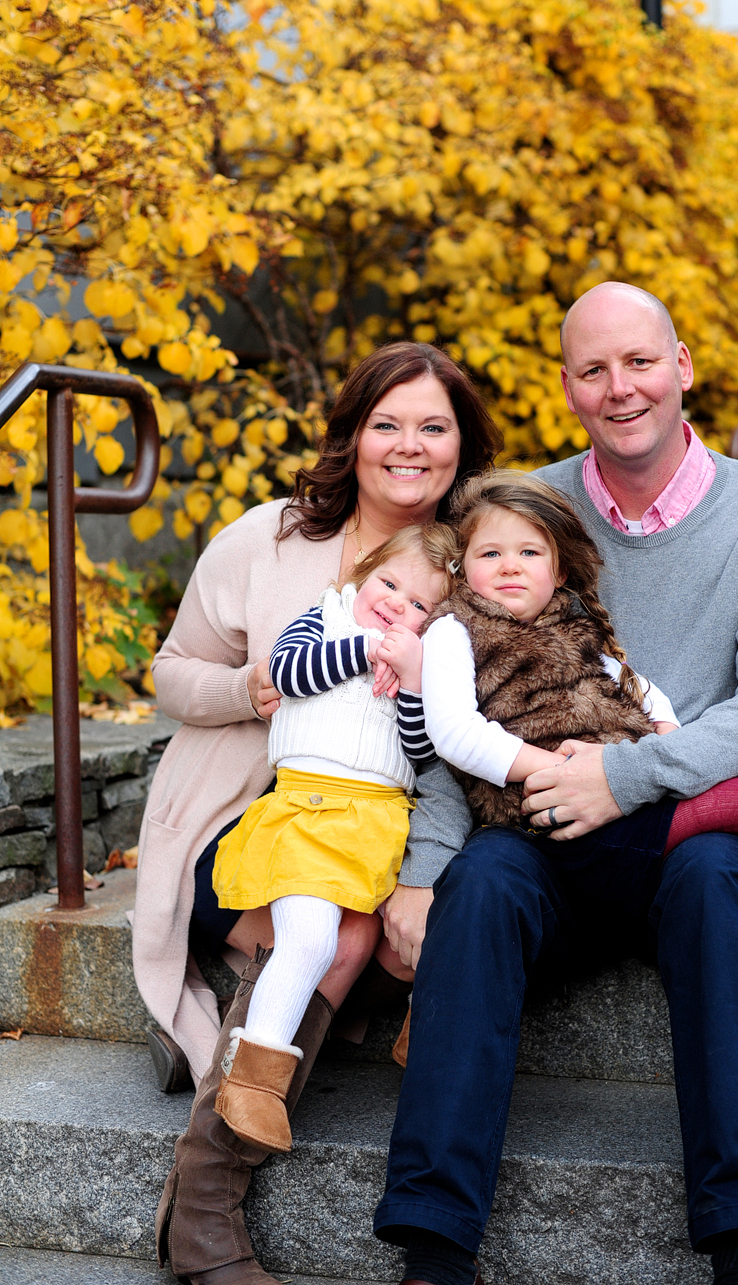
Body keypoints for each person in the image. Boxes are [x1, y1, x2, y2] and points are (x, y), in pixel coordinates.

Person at [373, 283, 738, 1285]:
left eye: (641, 362)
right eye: (593, 370)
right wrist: (421, 870)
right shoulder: (525, 508)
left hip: (678, 836)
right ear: (568, 387)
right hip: (531, 830)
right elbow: (457, 700)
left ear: (684, 365)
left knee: (715, 878)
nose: (621, 389)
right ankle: (434, 1248)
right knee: (479, 887)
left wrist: (627, 773)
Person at [137, 340, 502, 1285]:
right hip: (248, 816)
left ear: (463, 444)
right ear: (353, 435)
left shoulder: (480, 567)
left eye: (434, 426)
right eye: (387, 423)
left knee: (373, 924)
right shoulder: (271, 540)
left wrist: (421, 868)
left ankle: (235, 1048)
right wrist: (257, 687)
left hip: (383, 824)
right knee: (338, 935)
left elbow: (452, 755)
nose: (409, 446)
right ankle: (206, 1209)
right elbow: (171, 672)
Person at [418, 470, 738, 1053]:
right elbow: (453, 734)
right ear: (461, 567)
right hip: (557, 812)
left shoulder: (571, 624)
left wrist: (665, 742)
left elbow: (639, 688)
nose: (510, 565)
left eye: (527, 552)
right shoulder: (453, 631)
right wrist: (544, 770)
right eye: (490, 553)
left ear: (558, 569)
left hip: (616, 785)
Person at [211, 524, 456, 1154]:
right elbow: (287, 674)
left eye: (420, 604)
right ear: (362, 574)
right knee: (313, 938)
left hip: (382, 826)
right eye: (389, 583)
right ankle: (253, 1082)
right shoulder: (323, 620)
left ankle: (429, 1036)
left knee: (437, 922)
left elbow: (424, 752)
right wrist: (367, 648)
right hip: (310, 816)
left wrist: (410, 683)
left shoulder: (423, 664)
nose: (399, 603)